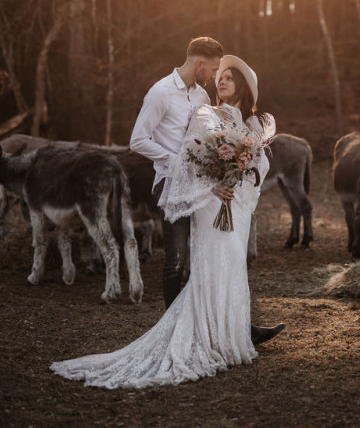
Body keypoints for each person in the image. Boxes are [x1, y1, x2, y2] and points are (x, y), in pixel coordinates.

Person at [50, 53, 280, 388]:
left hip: (237, 204)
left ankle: (234, 332)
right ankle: (195, 333)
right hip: (209, 201)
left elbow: (259, 163)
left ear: (243, 85)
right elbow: (192, 159)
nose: (221, 80)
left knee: (234, 265)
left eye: (229, 77)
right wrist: (214, 186)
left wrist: (239, 177)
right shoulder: (207, 113)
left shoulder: (253, 125)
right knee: (204, 263)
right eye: (220, 76)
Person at [128, 37, 284, 345]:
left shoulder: (201, 96)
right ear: (200, 64)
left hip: (206, 186)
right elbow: (138, 140)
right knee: (175, 258)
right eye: (214, 71)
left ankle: (237, 326)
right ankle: (176, 331)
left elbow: (215, 138)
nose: (216, 78)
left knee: (216, 254)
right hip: (171, 182)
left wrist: (226, 170)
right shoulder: (160, 92)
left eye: (223, 75)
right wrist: (179, 162)